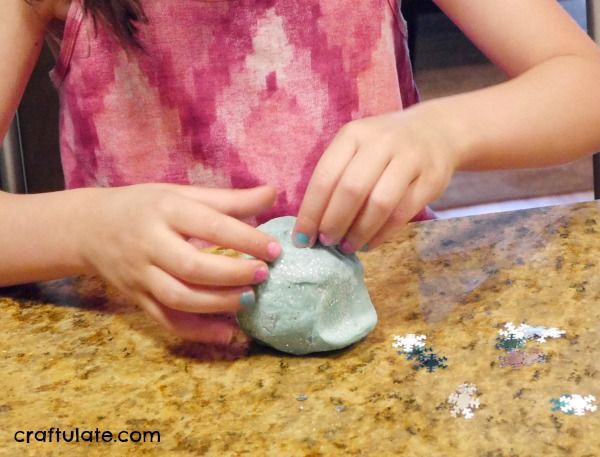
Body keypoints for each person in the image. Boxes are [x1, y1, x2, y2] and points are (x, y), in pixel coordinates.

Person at [2, 0, 600, 346]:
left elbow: (584, 85)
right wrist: (86, 230)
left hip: (383, 331)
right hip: (154, 351)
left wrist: (441, 131)